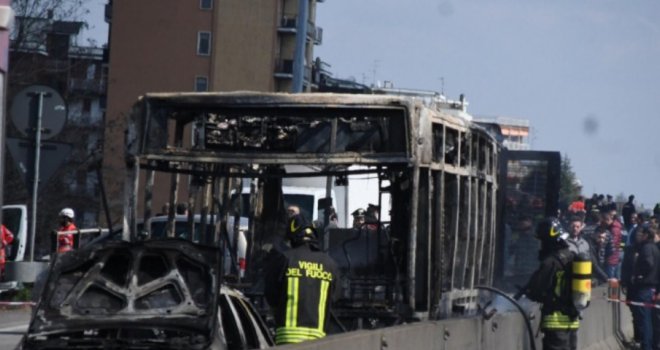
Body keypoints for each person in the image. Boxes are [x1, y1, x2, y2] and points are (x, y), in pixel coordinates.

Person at [265, 214, 339, 345]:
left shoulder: (284, 259)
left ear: (292, 237)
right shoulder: (329, 264)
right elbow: (335, 297)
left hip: (287, 341)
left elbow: (271, 296)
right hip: (318, 342)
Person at [522, 217, 579, 350]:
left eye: (541, 240)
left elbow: (536, 291)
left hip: (555, 324)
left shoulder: (550, 262)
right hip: (572, 322)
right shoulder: (572, 257)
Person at [627, 224, 659, 350]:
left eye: (642, 234)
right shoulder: (655, 248)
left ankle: (646, 346)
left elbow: (648, 263)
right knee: (649, 321)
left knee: (644, 321)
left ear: (646, 235)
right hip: (651, 288)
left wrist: (638, 276)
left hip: (644, 288)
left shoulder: (646, 248)